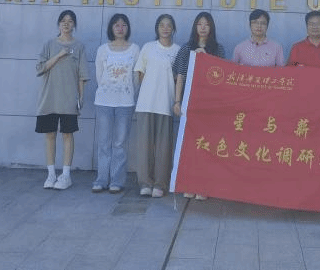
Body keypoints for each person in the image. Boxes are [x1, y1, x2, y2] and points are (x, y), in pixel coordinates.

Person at [173, 11, 226, 201]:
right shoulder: (186, 48)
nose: (203, 27)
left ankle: (203, 186)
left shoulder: (218, 49)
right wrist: (177, 101)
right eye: (199, 24)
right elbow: (180, 76)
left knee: (206, 147)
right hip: (189, 104)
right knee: (189, 146)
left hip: (210, 105)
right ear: (195, 27)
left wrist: (206, 59)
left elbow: (222, 76)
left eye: (207, 24)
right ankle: (189, 184)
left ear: (211, 28)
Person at [35, 9, 90, 191]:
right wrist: (59, 55)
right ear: (59, 24)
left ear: (74, 25)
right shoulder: (49, 44)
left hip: (68, 99)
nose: (66, 23)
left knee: (67, 134)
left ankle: (66, 175)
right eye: (63, 21)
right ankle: (51, 174)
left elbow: (82, 75)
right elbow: (40, 68)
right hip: (49, 98)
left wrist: (81, 97)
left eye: (70, 21)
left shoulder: (79, 46)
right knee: (50, 134)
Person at [92, 13, 139, 194]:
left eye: (123, 25)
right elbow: (99, 75)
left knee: (119, 143)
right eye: (116, 25)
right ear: (111, 28)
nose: (120, 28)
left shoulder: (134, 49)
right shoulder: (103, 50)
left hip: (125, 102)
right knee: (104, 142)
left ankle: (116, 181)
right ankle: (101, 180)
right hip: (104, 101)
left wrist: (128, 93)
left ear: (128, 28)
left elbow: (136, 77)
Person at [134, 14, 180, 198]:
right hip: (146, 103)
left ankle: (160, 184)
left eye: (169, 25)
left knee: (163, 147)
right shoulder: (148, 47)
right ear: (157, 28)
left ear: (173, 29)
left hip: (166, 103)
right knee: (144, 145)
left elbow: (179, 79)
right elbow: (140, 73)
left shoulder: (178, 51)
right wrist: (149, 90)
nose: (165, 28)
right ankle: (145, 183)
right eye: (162, 25)